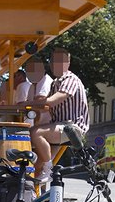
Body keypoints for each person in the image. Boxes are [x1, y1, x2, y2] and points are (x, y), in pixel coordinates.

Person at [29, 49, 90, 180]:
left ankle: (49, 168)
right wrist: (34, 105)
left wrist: (26, 104)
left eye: (59, 61)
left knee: (35, 133)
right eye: (53, 61)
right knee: (36, 166)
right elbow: (46, 106)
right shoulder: (55, 83)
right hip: (59, 126)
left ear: (67, 63)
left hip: (72, 128)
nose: (54, 65)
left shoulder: (70, 79)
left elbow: (51, 101)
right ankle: (38, 193)